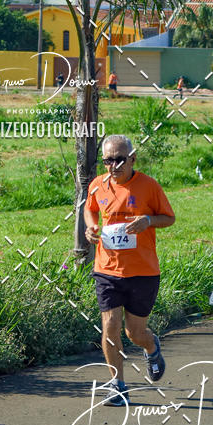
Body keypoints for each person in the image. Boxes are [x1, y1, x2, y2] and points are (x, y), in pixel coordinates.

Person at [84, 134, 175, 405]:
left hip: (143, 272)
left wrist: (148, 220)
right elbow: (89, 210)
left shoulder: (149, 186)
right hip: (107, 269)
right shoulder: (98, 185)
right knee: (109, 325)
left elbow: (169, 218)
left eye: (119, 160)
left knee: (134, 333)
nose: (113, 166)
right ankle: (117, 384)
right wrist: (91, 227)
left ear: (133, 158)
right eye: (107, 161)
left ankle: (152, 347)